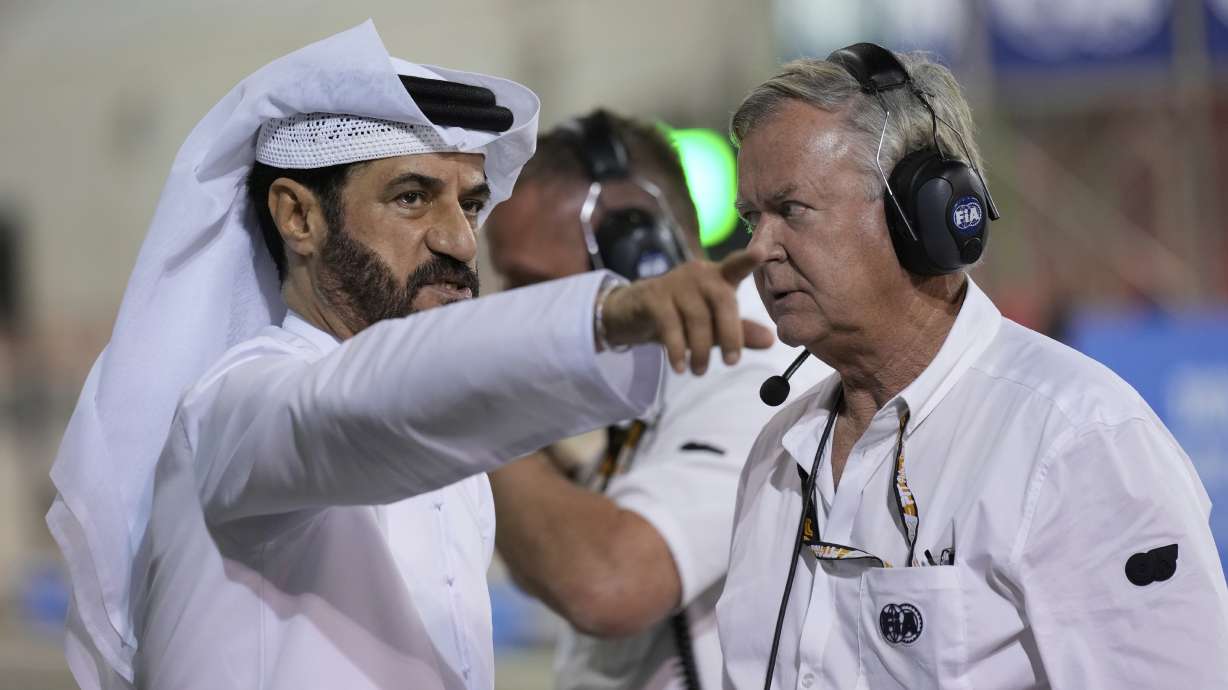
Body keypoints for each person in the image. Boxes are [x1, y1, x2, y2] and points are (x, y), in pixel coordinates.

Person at [44, 23, 772, 690]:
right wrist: (602, 315)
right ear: (299, 216)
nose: (459, 240)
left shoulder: (459, 469)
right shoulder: (233, 406)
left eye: (470, 204)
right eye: (412, 198)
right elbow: (349, 406)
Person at [715, 42, 1228, 689]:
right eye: (751, 219)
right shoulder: (777, 456)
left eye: (790, 210)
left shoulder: (1075, 440)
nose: (759, 249)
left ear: (918, 216)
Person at [484, 110, 827, 690]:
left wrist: (461, 419)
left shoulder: (755, 368)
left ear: (640, 257)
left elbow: (607, 583)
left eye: (531, 285)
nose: (512, 312)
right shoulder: (656, 378)